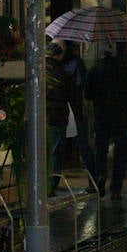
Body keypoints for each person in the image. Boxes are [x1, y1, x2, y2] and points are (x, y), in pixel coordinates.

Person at [84, 43, 127, 200]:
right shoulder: (125, 70)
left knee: (101, 151)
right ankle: (116, 188)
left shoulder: (95, 70)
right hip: (120, 117)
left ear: (102, 53)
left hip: (101, 116)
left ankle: (100, 179)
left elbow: (88, 94)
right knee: (119, 154)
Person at [46, 40, 89, 178]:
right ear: (59, 55)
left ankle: (46, 181)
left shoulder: (41, 70)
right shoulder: (61, 72)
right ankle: (53, 180)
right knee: (56, 150)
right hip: (59, 115)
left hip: (44, 115)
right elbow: (72, 92)